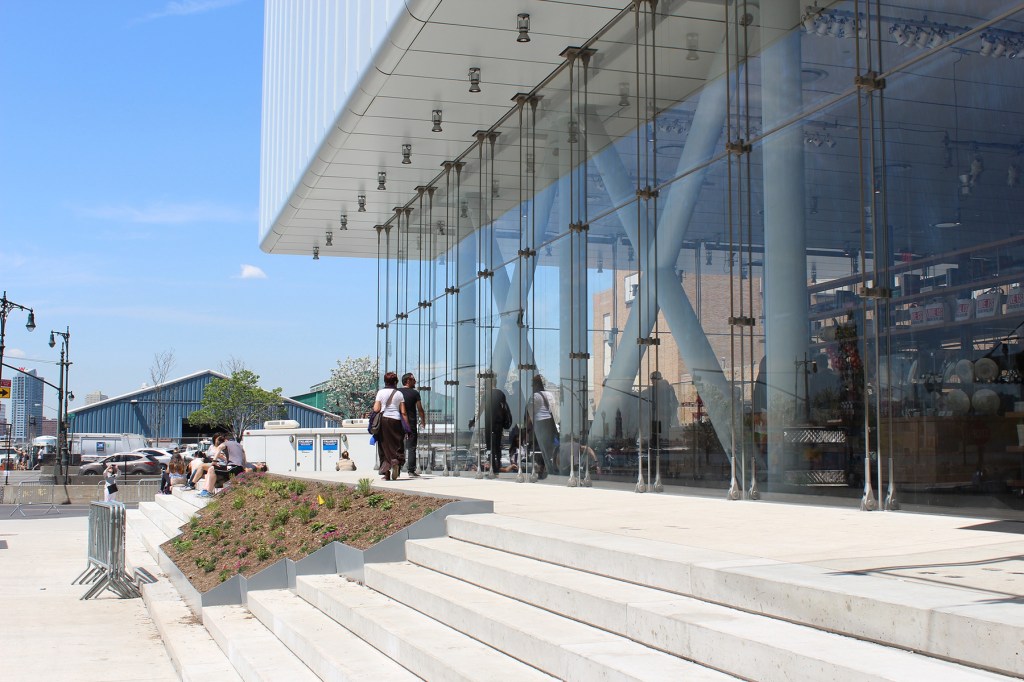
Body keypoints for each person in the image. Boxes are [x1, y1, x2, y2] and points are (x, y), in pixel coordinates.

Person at [374, 371, 407, 481]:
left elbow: (376, 409)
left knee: (384, 446)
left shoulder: (380, 393)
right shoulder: (399, 394)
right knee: (397, 444)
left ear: (385, 381)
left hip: (384, 421)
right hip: (396, 420)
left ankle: (386, 473)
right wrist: (407, 427)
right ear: (395, 382)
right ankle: (396, 462)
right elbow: (403, 412)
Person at [527, 375, 558, 478]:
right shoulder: (550, 395)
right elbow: (553, 410)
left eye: (533, 384)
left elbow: (530, 414)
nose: (532, 386)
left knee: (539, 448)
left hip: (539, 423)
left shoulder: (535, 396)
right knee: (547, 449)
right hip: (549, 422)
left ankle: (541, 469)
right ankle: (547, 468)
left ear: (536, 384)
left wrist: (527, 429)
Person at [399, 372, 426, 477]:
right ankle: (411, 471)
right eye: (413, 379)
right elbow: (420, 409)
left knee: (399, 446)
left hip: (399, 422)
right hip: (411, 423)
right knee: (411, 447)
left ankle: (397, 467)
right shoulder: (415, 393)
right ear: (408, 381)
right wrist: (423, 420)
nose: (415, 381)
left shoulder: (397, 392)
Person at [485, 388, 512, 476]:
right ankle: (496, 465)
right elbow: (504, 407)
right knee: (497, 444)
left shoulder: (487, 394)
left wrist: (474, 420)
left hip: (490, 423)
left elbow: (481, 409)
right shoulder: (500, 394)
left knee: (490, 446)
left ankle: (493, 466)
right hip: (498, 423)